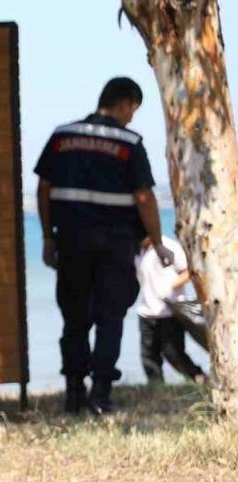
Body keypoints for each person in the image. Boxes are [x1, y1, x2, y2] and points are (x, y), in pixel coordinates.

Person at [35, 77, 174, 415]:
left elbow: (43, 189)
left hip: (71, 243)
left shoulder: (62, 136)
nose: (131, 118)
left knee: (75, 319)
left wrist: (48, 238)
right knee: (110, 319)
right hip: (115, 246)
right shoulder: (129, 142)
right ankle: (100, 395)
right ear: (125, 103)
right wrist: (158, 244)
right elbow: (144, 197)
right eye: (133, 110)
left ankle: (73, 393)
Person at [134, 235, 205, 385]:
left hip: (170, 310)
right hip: (147, 310)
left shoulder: (168, 246)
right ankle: (156, 387)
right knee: (148, 355)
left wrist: (171, 286)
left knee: (173, 353)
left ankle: (198, 377)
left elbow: (189, 271)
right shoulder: (136, 249)